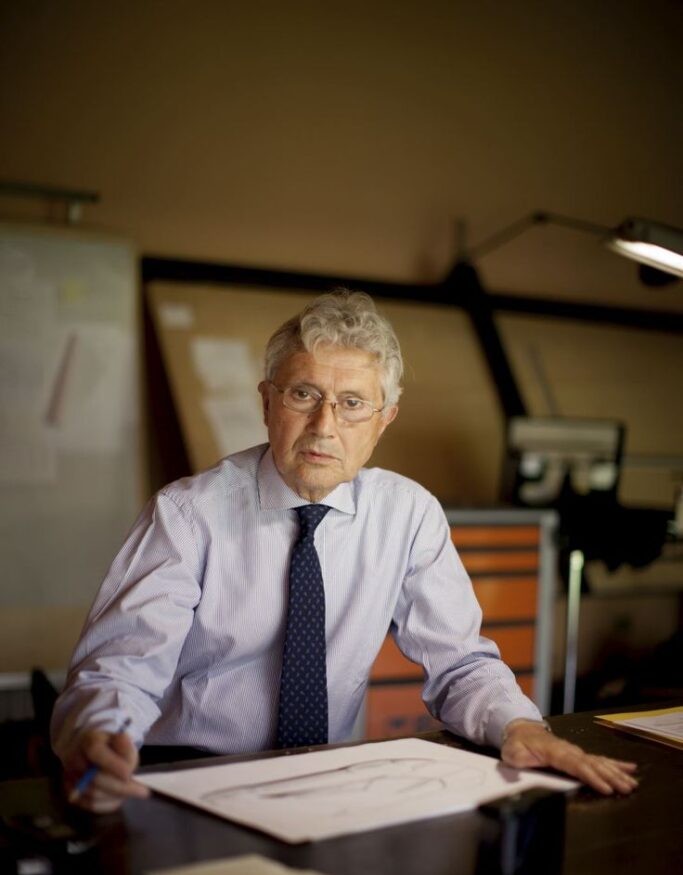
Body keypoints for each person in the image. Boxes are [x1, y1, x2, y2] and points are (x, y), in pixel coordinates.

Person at [51, 290, 637, 812]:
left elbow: (460, 664)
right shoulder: (188, 514)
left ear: (384, 421)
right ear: (267, 402)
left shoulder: (408, 515)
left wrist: (518, 725)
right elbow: (120, 666)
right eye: (304, 394)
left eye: (353, 403)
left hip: (323, 779)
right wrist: (102, 735)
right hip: (183, 776)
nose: (325, 425)